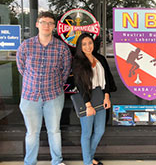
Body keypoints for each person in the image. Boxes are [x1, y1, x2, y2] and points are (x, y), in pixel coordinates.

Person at [16, 12, 72, 165]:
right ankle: (30, 162)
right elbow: (21, 68)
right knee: (32, 133)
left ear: (54, 26)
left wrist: (53, 85)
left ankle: (57, 161)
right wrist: (34, 82)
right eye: (43, 22)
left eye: (50, 23)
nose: (46, 25)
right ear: (37, 24)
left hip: (53, 96)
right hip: (30, 97)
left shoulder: (62, 48)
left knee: (54, 131)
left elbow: (65, 71)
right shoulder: (26, 46)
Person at [72, 33, 117, 165]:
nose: (88, 46)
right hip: (87, 100)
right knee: (86, 133)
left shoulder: (100, 58)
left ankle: (89, 157)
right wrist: (88, 105)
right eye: (84, 44)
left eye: (90, 43)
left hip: (101, 98)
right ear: (80, 46)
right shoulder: (78, 62)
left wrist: (107, 96)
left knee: (99, 131)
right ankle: (87, 162)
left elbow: (107, 79)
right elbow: (80, 85)